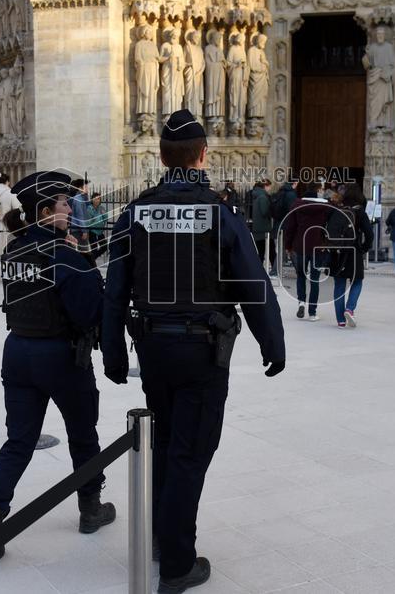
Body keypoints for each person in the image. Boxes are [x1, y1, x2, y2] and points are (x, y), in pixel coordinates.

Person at [101, 109, 285, 594]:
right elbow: (252, 282)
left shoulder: (135, 213)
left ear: (162, 158)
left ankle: (162, 538)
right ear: (203, 155)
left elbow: (114, 289)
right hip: (202, 353)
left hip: (153, 350)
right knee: (189, 451)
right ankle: (178, 563)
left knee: (163, 444)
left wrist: (113, 352)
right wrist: (273, 342)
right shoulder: (219, 213)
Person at [0, 171, 115, 561]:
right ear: (47, 212)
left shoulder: (15, 251)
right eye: (65, 204)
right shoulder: (63, 255)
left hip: (17, 353)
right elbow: (89, 312)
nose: (70, 209)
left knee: (18, 441)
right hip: (61, 357)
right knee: (83, 435)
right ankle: (90, 509)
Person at [326, 186, 373, 327]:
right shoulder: (360, 213)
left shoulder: (337, 210)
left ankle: (340, 320)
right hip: (354, 252)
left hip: (337, 252)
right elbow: (370, 234)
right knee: (357, 281)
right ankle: (350, 309)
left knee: (339, 285)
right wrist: (364, 248)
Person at [283, 181, 329, 320]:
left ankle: (301, 302)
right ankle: (312, 312)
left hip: (300, 245)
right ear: (317, 192)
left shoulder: (296, 206)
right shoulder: (325, 207)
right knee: (314, 279)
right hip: (317, 246)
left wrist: (288, 246)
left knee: (301, 276)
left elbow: (290, 228)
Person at [269, 178, 296, 275]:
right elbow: (293, 212)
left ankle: (275, 270)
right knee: (290, 248)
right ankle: (300, 269)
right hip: (287, 224)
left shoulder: (279, 193)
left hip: (279, 224)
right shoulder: (291, 194)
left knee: (283, 248)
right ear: (295, 183)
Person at [249, 180, 273, 266]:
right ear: (265, 186)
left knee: (260, 250)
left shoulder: (256, 195)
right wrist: (272, 211)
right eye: (269, 186)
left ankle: (259, 267)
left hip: (258, 226)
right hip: (264, 227)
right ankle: (273, 269)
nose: (270, 188)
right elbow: (264, 212)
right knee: (269, 249)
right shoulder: (263, 197)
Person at [69, 178, 91, 249]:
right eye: (86, 187)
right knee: (84, 251)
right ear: (80, 188)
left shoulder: (82, 198)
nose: (88, 188)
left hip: (79, 229)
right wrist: (84, 231)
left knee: (82, 251)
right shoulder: (78, 199)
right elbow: (80, 216)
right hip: (78, 230)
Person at [86, 192, 109, 258]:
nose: (97, 200)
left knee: (104, 246)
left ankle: (93, 258)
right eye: (95, 199)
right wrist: (99, 217)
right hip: (92, 232)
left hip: (100, 231)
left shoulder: (101, 208)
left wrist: (103, 216)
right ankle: (93, 261)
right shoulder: (89, 208)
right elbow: (90, 221)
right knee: (94, 248)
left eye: (98, 199)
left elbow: (105, 217)